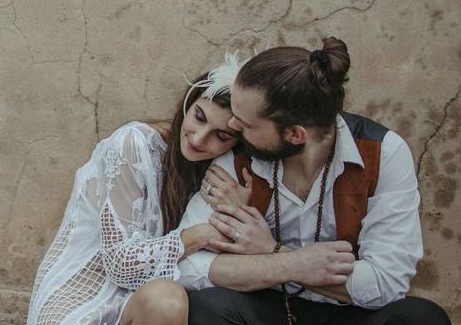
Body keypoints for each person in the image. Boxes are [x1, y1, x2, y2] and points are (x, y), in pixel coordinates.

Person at [178, 37, 451, 325]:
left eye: (245, 124)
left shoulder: (383, 153)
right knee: (209, 307)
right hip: (265, 305)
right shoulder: (236, 160)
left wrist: (273, 251)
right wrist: (291, 265)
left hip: (348, 312)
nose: (232, 127)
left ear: (295, 135)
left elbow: (387, 281)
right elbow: (188, 266)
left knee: (423, 318)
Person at [26, 54, 249, 325]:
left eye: (221, 136)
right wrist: (200, 235)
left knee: (169, 301)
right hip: (81, 298)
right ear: (188, 105)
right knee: (167, 300)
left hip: (143, 300)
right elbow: (119, 265)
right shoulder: (133, 144)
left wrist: (239, 207)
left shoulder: (220, 169)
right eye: (199, 117)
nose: (199, 138)